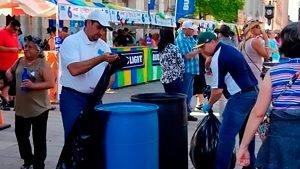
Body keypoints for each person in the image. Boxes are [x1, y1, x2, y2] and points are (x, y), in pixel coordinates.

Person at [237, 22, 300, 169]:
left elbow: (258, 113)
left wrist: (243, 146)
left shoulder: (274, 73)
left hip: (281, 141)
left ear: (283, 43)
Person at [198, 32, 258, 169]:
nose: (201, 51)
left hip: (240, 97)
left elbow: (217, 91)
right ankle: (250, 165)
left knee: (225, 136)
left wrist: (209, 104)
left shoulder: (218, 57)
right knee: (247, 135)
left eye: (202, 47)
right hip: (252, 93)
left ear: (211, 42)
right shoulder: (229, 49)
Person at [59, 11, 119, 139]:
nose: (101, 32)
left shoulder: (103, 46)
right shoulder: (71, 41)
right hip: (73, 97)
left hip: (95, 98)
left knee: (96, 138)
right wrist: (101, 58)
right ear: (88, 23)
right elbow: (74, 69)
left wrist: (103, 87)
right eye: (98, 28)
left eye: (104, 29)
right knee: (74, 139)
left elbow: (110, 73)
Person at [6, 36, 54, 169]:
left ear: (38, 50)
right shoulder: (20, 60)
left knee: (38, 139)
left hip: (39, 108)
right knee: (21, 136)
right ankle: (28, 160)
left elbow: (50, 83)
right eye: (25, 46)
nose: (25, 49)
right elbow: (11, 69)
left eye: (29, 47)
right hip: (21, 107)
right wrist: (10, 73)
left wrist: (33, 86)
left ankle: (39, 164)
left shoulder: (42, 64)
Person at [175, 20, 201, 121]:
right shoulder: (181, 39)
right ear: (185, 29)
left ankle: (187, 113)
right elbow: (187, 55)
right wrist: (199, 50)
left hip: (192, 70)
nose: (192, 31)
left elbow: (193, 49)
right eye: (191, 29)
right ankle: (182, 114)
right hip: (186, 70)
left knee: (189, 93)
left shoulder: (190, 38)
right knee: (184, 93)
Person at [240, 20, 270, 85]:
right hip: (255, 71)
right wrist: (266, 40)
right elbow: (267, 56)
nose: (260, 28)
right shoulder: (254, 41)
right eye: (257, 26)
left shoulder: (243, 42)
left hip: (247, 70)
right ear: (252, 29)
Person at [0, 19, 21, 110]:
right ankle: (5, 101)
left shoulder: (14, 34)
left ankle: (7, 101)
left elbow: (15, 45)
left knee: (9, 84)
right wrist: (11, 50)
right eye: (15, 29)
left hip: (12, 65)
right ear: (10, 26)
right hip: (3, 64)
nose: (16, 31)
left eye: (17, 30)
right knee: (5, 84)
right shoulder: (1, 33)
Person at [157, 28, 184, 94]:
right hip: (175, 78)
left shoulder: (161, 48)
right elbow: (181, 63)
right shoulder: (174, 48)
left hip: (165, 78)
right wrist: (181, 77)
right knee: (177, 99)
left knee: (169, 99)